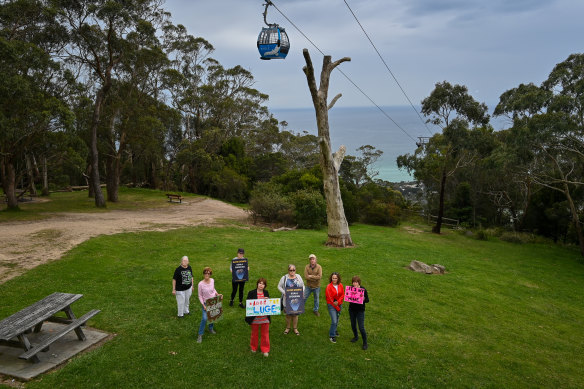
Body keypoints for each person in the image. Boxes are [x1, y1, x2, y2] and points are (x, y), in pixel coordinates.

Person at [245, 278, 271, 357]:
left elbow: (269, 305)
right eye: (260, 283)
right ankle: (253, 347)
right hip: (255, 318)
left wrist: (268, 300)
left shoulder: (266, 293)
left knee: (265, 334)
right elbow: (247, 305)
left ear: (265, 286)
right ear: (257, 284)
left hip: (264, 318)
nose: (261, 285)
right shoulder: (251, 293)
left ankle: (265, 349)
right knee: (254, 334)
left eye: (263, 284)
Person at [197, 267, 222, 343]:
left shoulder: (212, 280)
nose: (207, 274)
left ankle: (211, 328)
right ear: (203, 274)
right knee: (204, 318)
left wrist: (217, 294)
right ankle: (200, 335)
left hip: (213, 301)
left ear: (210, 274)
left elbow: (213, 289)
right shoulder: (200, 284)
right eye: (205, 273)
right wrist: (203, 305)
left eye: (208, 273)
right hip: (206, 303)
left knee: (212, 316)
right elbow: (200, 296)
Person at [277, 264, 304, 335]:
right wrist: (284, 292)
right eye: (290, 270)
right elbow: (279, 286)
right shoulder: (284, 278)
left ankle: (295, 328)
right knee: (288, 315)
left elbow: (303, 286)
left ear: (295, 270)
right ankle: (288, 327)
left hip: (297, 299)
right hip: (287, 299)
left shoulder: (298, 277)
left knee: (295, 314)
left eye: (293, 270)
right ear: (288, 271)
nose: (292, 271)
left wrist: (302, 291)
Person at [348, 275, 369, 350]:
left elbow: (367, 300)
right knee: (353, 325)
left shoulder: (363, 289)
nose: (354, 284)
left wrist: (364, 299)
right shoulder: (350, 289)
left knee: (361, 327)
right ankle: (356, 336)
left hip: (360, 311)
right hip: (352, 310)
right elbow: (348, 297)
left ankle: (365, 342)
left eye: (356, 282)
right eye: (353, 282)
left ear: (359, 282)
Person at [325, 272, 344, 343]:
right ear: (331, 278)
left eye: (336, 278)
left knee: (337, 318)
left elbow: (342, 294)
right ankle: (332, 335)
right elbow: (329, 297)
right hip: (331, 305)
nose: (334, 279)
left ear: (338, 278)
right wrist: (335, 304)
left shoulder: (340, 285)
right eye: (333, 278)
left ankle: (334, 330)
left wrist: (338, 302)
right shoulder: (328, 287)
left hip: (339, 304)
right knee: (334, 320)